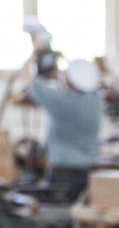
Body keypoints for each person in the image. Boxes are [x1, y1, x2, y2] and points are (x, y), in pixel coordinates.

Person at [19, 38, 103, 201]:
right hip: (88, 175)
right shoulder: (97, 101)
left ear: (69, 80)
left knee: (58, 220)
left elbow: (24, 73)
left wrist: (37, 50)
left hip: (63, 176)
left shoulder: (61, 101)